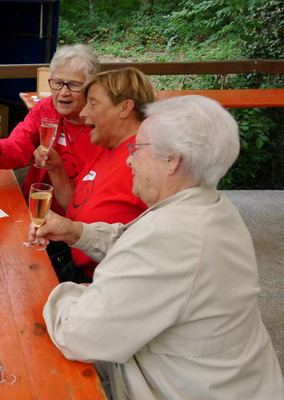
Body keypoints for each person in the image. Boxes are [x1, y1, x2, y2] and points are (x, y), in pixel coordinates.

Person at [36, 95, 284, 399]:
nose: (129, 159)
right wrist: (76, 231)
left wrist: (59, 291)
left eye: (138, 148)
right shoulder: (213, 206)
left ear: (172, 161)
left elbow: (79, 335)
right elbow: (134, 243)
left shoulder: (172, 235)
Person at [35, 67, 151, 282]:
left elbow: (158, 248)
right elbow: (76, 206)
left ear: (125, 108)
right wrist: (57, 169)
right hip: (75, 259)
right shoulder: (106, 147)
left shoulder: (147, 161)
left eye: (93, 104)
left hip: (107, 281)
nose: (83, 113)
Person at [0, 44, 101, 217]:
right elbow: (19, 144)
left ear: (91, 87)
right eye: (57, 83)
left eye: (74, 85)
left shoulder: (103, 125)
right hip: (36, 207)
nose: (63, 92)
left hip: (79, 220)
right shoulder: (46, 110)